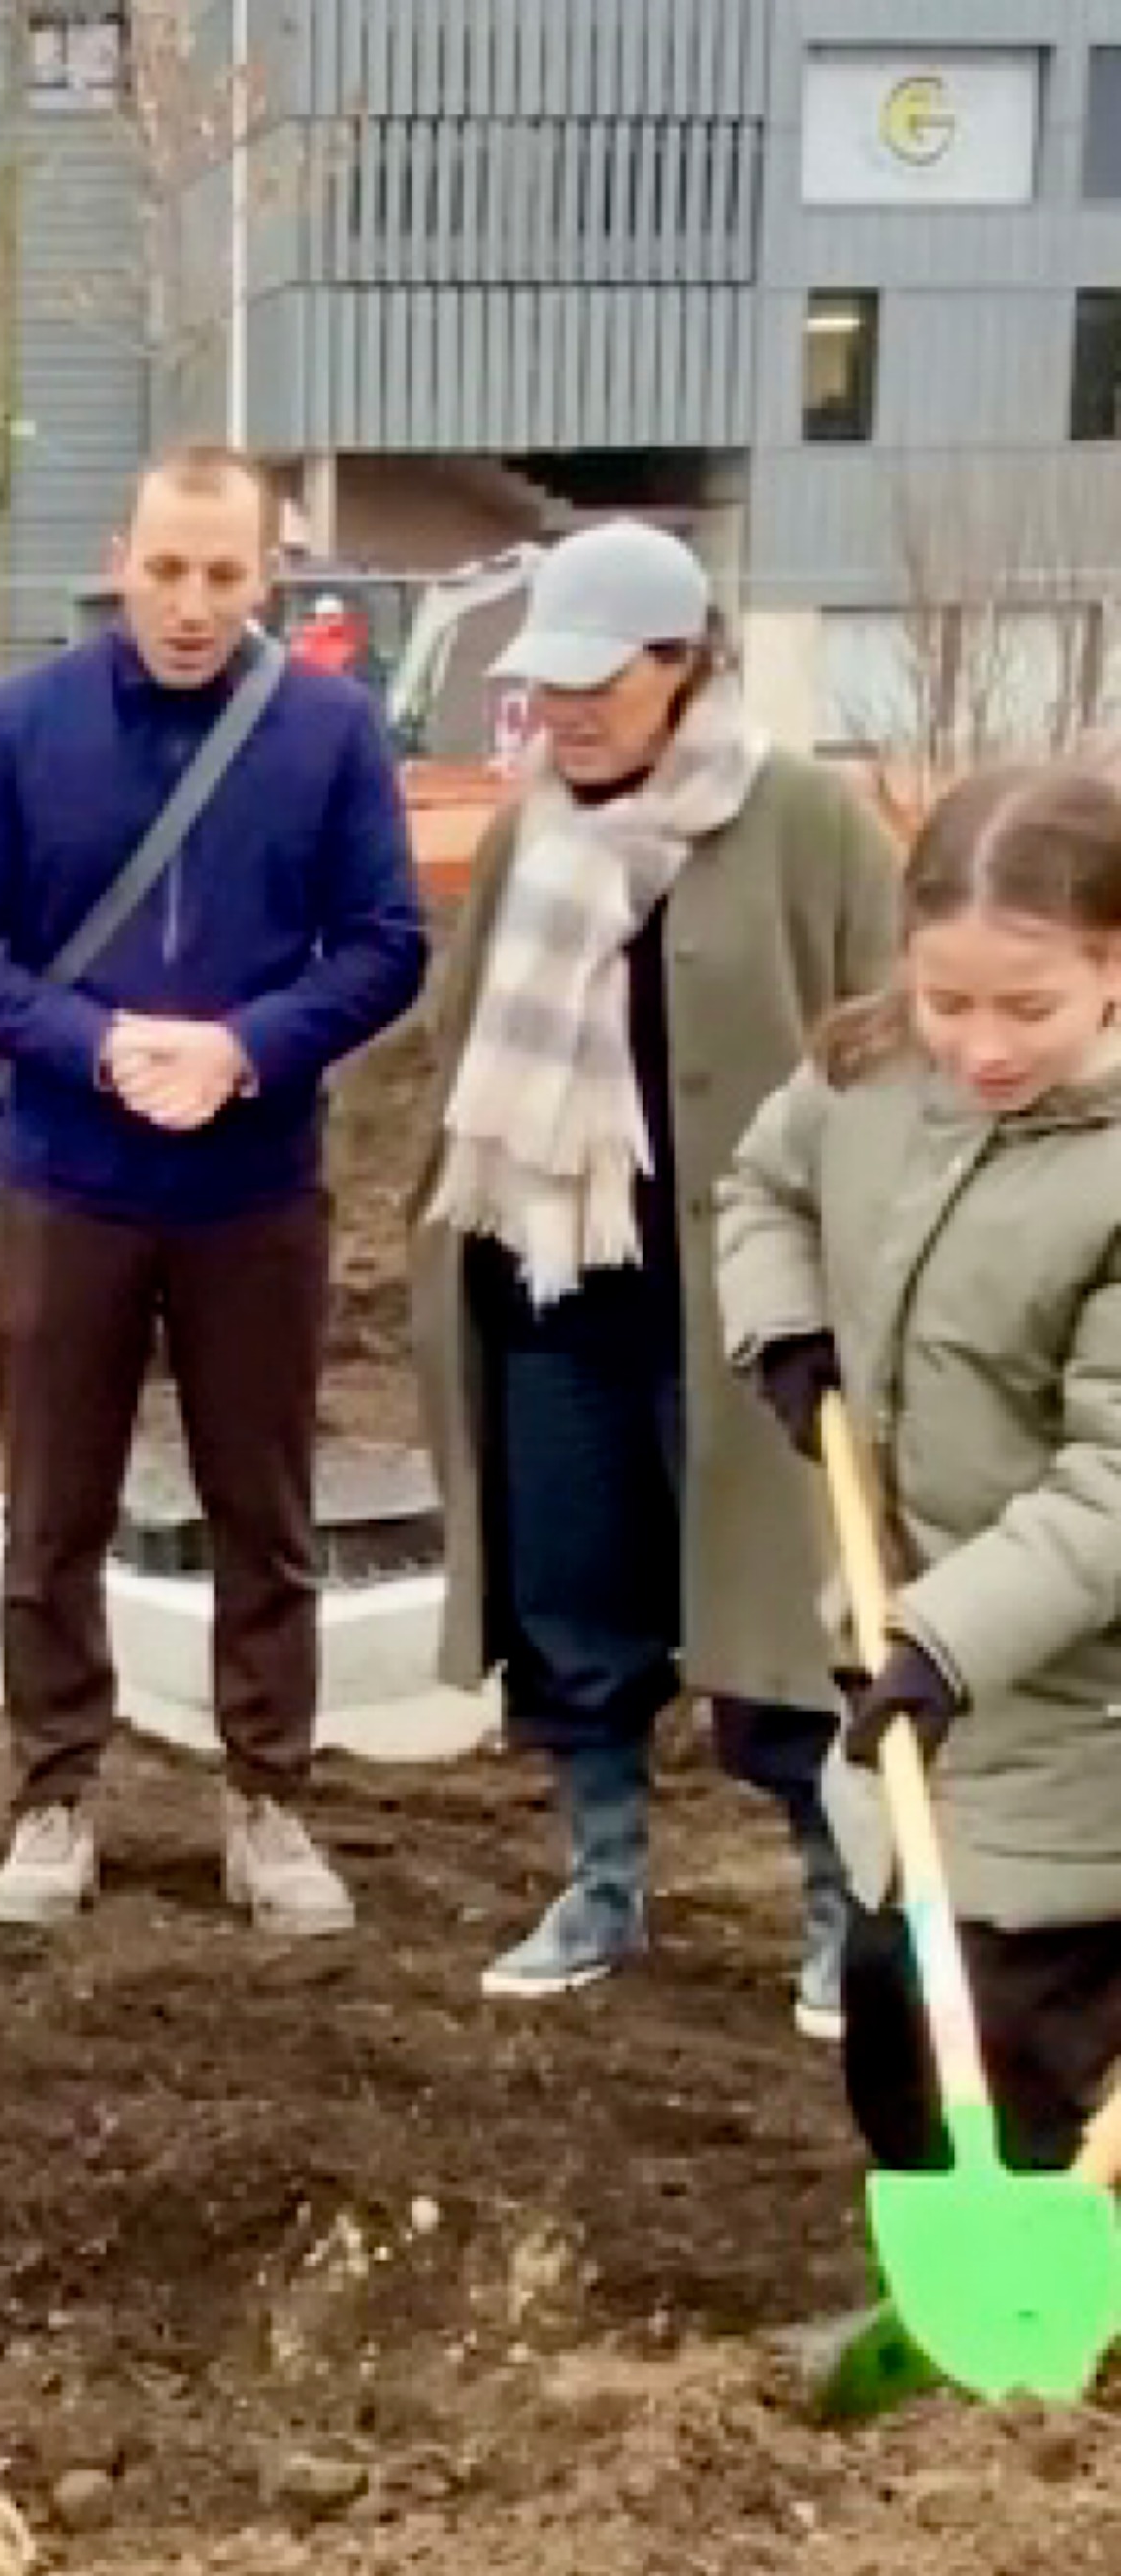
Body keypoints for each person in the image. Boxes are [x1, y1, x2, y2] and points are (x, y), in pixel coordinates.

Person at [0, 445, 428, 1936]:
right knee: (51, 1508)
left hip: (256, 1191)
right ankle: (53, 1793)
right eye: (166, 568)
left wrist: (246, 1051)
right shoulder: (19, 728)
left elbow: (388, 943)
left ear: (271, 576)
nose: (192, 605)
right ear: (117, 557)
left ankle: (267, 1800)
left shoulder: (328, 735)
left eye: (224, 574)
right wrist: (101, 1044)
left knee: (265, 1513)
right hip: (68, 1180)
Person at [410, 520, 903, 2032]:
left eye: (596, 680)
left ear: (685, 666)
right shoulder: (527, 830)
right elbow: (457, 1034)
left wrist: (849, 1266)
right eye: (545, 681)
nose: (563, 710)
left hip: (749, 1302)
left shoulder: (808, 821)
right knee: (575, 1604)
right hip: (554, 1282)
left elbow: (887, 1051)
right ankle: (605, 1880)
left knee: (784, 1621)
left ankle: (839, 1904)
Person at [720, 763, 1121, 2164]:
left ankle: (1060, 2353)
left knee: (1025, 2053)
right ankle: (956, 2325)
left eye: (1031, 1008)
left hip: (1076, 1712)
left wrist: (947, 1643)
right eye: (950, 1001)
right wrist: (784, 1326)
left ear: (1115, 968)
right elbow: (764, 1184)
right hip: (909, 1664)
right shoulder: (872, 1075)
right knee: (897, 2017)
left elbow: (1113, 1486)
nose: (983, 1046)